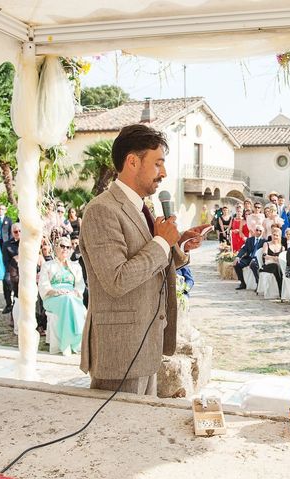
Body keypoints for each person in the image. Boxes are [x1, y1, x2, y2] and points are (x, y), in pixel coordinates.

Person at [80, 124, 202, 395]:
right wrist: (161, 242)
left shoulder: (141, 207)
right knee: (115, 434)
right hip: (120, 352)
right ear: (132, 162)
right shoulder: (102, 210)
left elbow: (147, 263)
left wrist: (177, 243)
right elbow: (117, 279)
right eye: (158, 163)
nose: (164, 173)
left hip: (147, 346)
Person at [39, 236, 87, 355]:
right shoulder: (48, 265)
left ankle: (74, 341)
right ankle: (67, 342)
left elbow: (80, 285)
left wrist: (74, 292)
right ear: (56, 248)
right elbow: (44, 285)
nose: (65, 249)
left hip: (72, 296)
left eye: (68, 247)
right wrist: (55, 292)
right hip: (53, 297)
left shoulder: (75, 266)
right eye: (62, 246)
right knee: (67, 300)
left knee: (70, 299)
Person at [233, 225, 265, 290]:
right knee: (237, 264)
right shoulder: (250, 240)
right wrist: (238, 257)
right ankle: (242, 283)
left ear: (263, 232)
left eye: (260, 231)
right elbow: (244, 249)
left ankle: (258, 283)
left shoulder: (264, 241)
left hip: (257, 259)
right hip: (249, 258)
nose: (258, 232)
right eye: (257, 230)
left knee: (253, 265)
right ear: (254, 231)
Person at [2, 223, 21, 313]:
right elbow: (6, 261)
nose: (18, 233)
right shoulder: (7, 245)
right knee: (6, 280)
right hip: (12, 268)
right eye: (15, 231)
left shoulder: (27, 242)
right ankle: (9, 304)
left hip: (25, 268)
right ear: (12, 233)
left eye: (19, 231)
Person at [260, 225, 285, 293]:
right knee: (276, 267)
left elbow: (282, 258)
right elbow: (264, 255)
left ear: (279, 236)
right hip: (268, 264)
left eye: (277, 235)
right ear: (271, 235)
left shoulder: (282, 247)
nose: (275, 237)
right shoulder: (266, 244)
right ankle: (280, 289)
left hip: (278, 265)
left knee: (280, 268)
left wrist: (278, 259)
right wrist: (274, 258)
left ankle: (284, 289)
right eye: (274, 235)